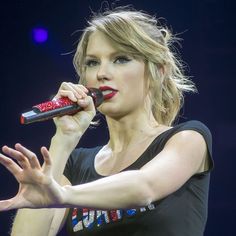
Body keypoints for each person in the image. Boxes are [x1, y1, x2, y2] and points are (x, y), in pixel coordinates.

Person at [0, 6, 213, 236]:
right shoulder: (76, 164)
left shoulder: (189, 138)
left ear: (158, 71)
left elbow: (145, 187)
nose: (102, 73)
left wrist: (62, 196)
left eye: (120, 59)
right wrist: (63, 139)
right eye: (92, 62)